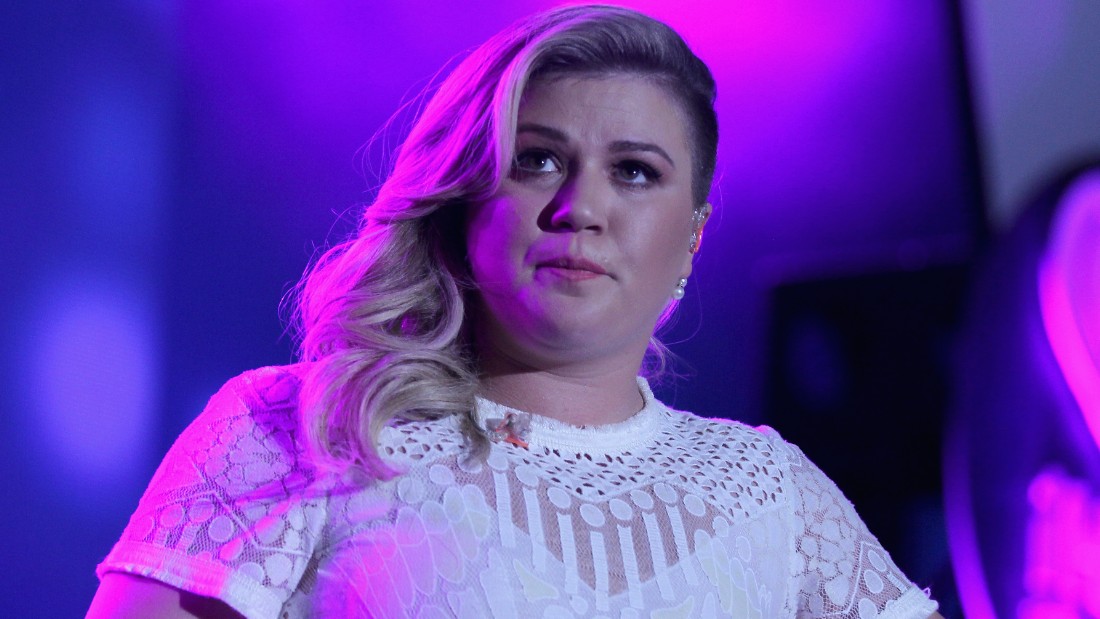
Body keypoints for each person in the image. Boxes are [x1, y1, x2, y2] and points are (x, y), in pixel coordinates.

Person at [88, 5, 943, 618]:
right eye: (537, 160)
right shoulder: (299, 426)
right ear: (464, 201)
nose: (581, 206)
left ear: (690, 238)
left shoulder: (771, 491)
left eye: (636, 171)